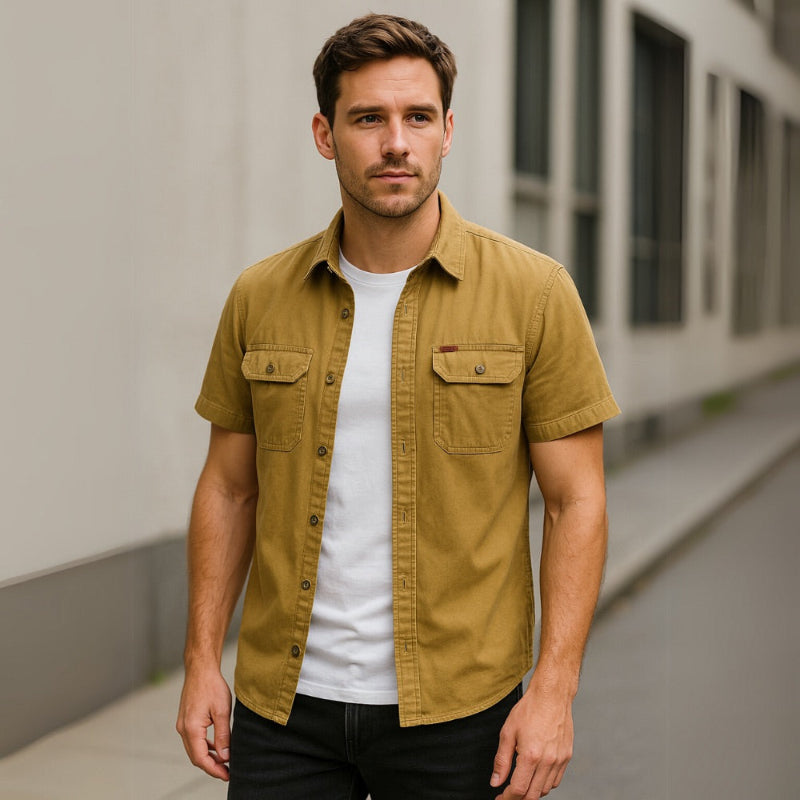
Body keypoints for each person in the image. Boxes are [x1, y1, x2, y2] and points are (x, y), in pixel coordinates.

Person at [176, 13, 619, 800]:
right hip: (285, 714)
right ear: (325, 133)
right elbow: (228, 487)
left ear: (448, 130)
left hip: (462, 713)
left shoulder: (533, 293)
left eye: (417, 117)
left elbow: (576, 500)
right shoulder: (260, 296)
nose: (395, 143)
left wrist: (553, 690)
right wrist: (201, 662)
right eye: (367, 118)